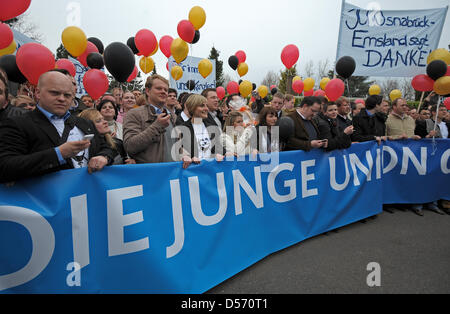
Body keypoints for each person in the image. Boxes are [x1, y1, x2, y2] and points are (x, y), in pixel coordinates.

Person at [0, 70, 115, 183]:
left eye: (67, 95)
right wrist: (58, 154)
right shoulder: (17, 124)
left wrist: (103, 157)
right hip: (47, 199)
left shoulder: (85, 123)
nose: (61, 98)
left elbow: (107, 148)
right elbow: (6, 166)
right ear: (38, 93)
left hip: (87, 196)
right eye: (54, 93)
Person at [123, 74, 178, 164]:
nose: (163, 92)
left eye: (166, 90)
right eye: (159, 88)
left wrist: (185, 155)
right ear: (148, 91)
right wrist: (157, 126)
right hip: (150, 173)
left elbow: (178, 144)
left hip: (172, 173)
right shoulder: (134, 114)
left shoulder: (173, 116)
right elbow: (130, 146)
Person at [178, 94, 224, 168]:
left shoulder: (213, 127)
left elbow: (220, 149)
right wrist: (186, 156)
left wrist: (225, 153)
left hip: (212, 171)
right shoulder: (182, 128)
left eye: (206, 106)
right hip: (193, 173)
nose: (206, 109)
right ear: (192, 108)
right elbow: (179, 150)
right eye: (202, 106)